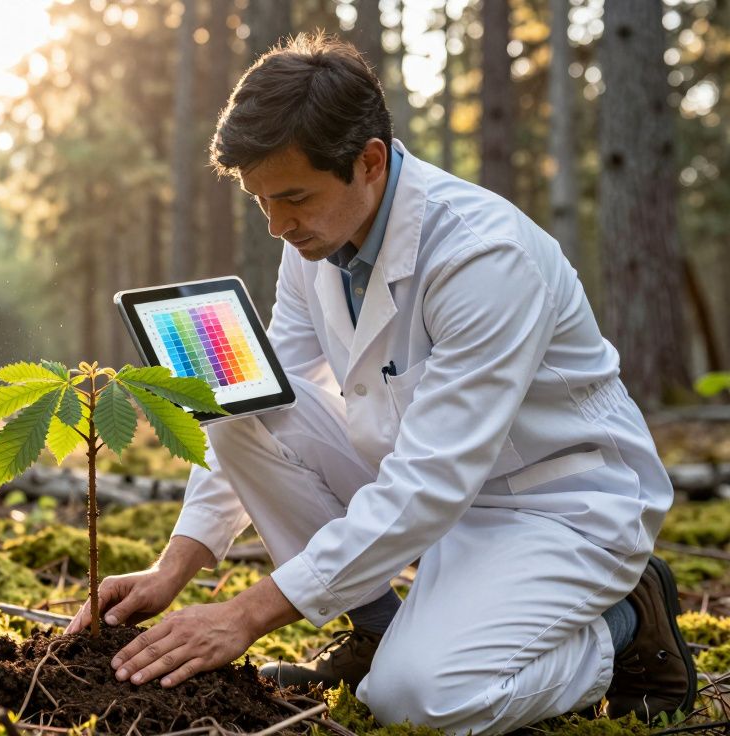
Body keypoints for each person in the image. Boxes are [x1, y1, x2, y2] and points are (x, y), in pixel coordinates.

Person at [66, 33, 696, 734]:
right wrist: (173, 568)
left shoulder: (484, 258)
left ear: (369, 161)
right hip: (426, 482)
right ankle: (376, 632)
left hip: (553, 506)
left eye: (293, 197)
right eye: (260, 201)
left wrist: (246, 614)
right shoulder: (315, 240)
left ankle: (622, 627)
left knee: (417, 701)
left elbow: (433, 481)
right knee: (241, 402)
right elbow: (261, 407)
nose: (276, 225)